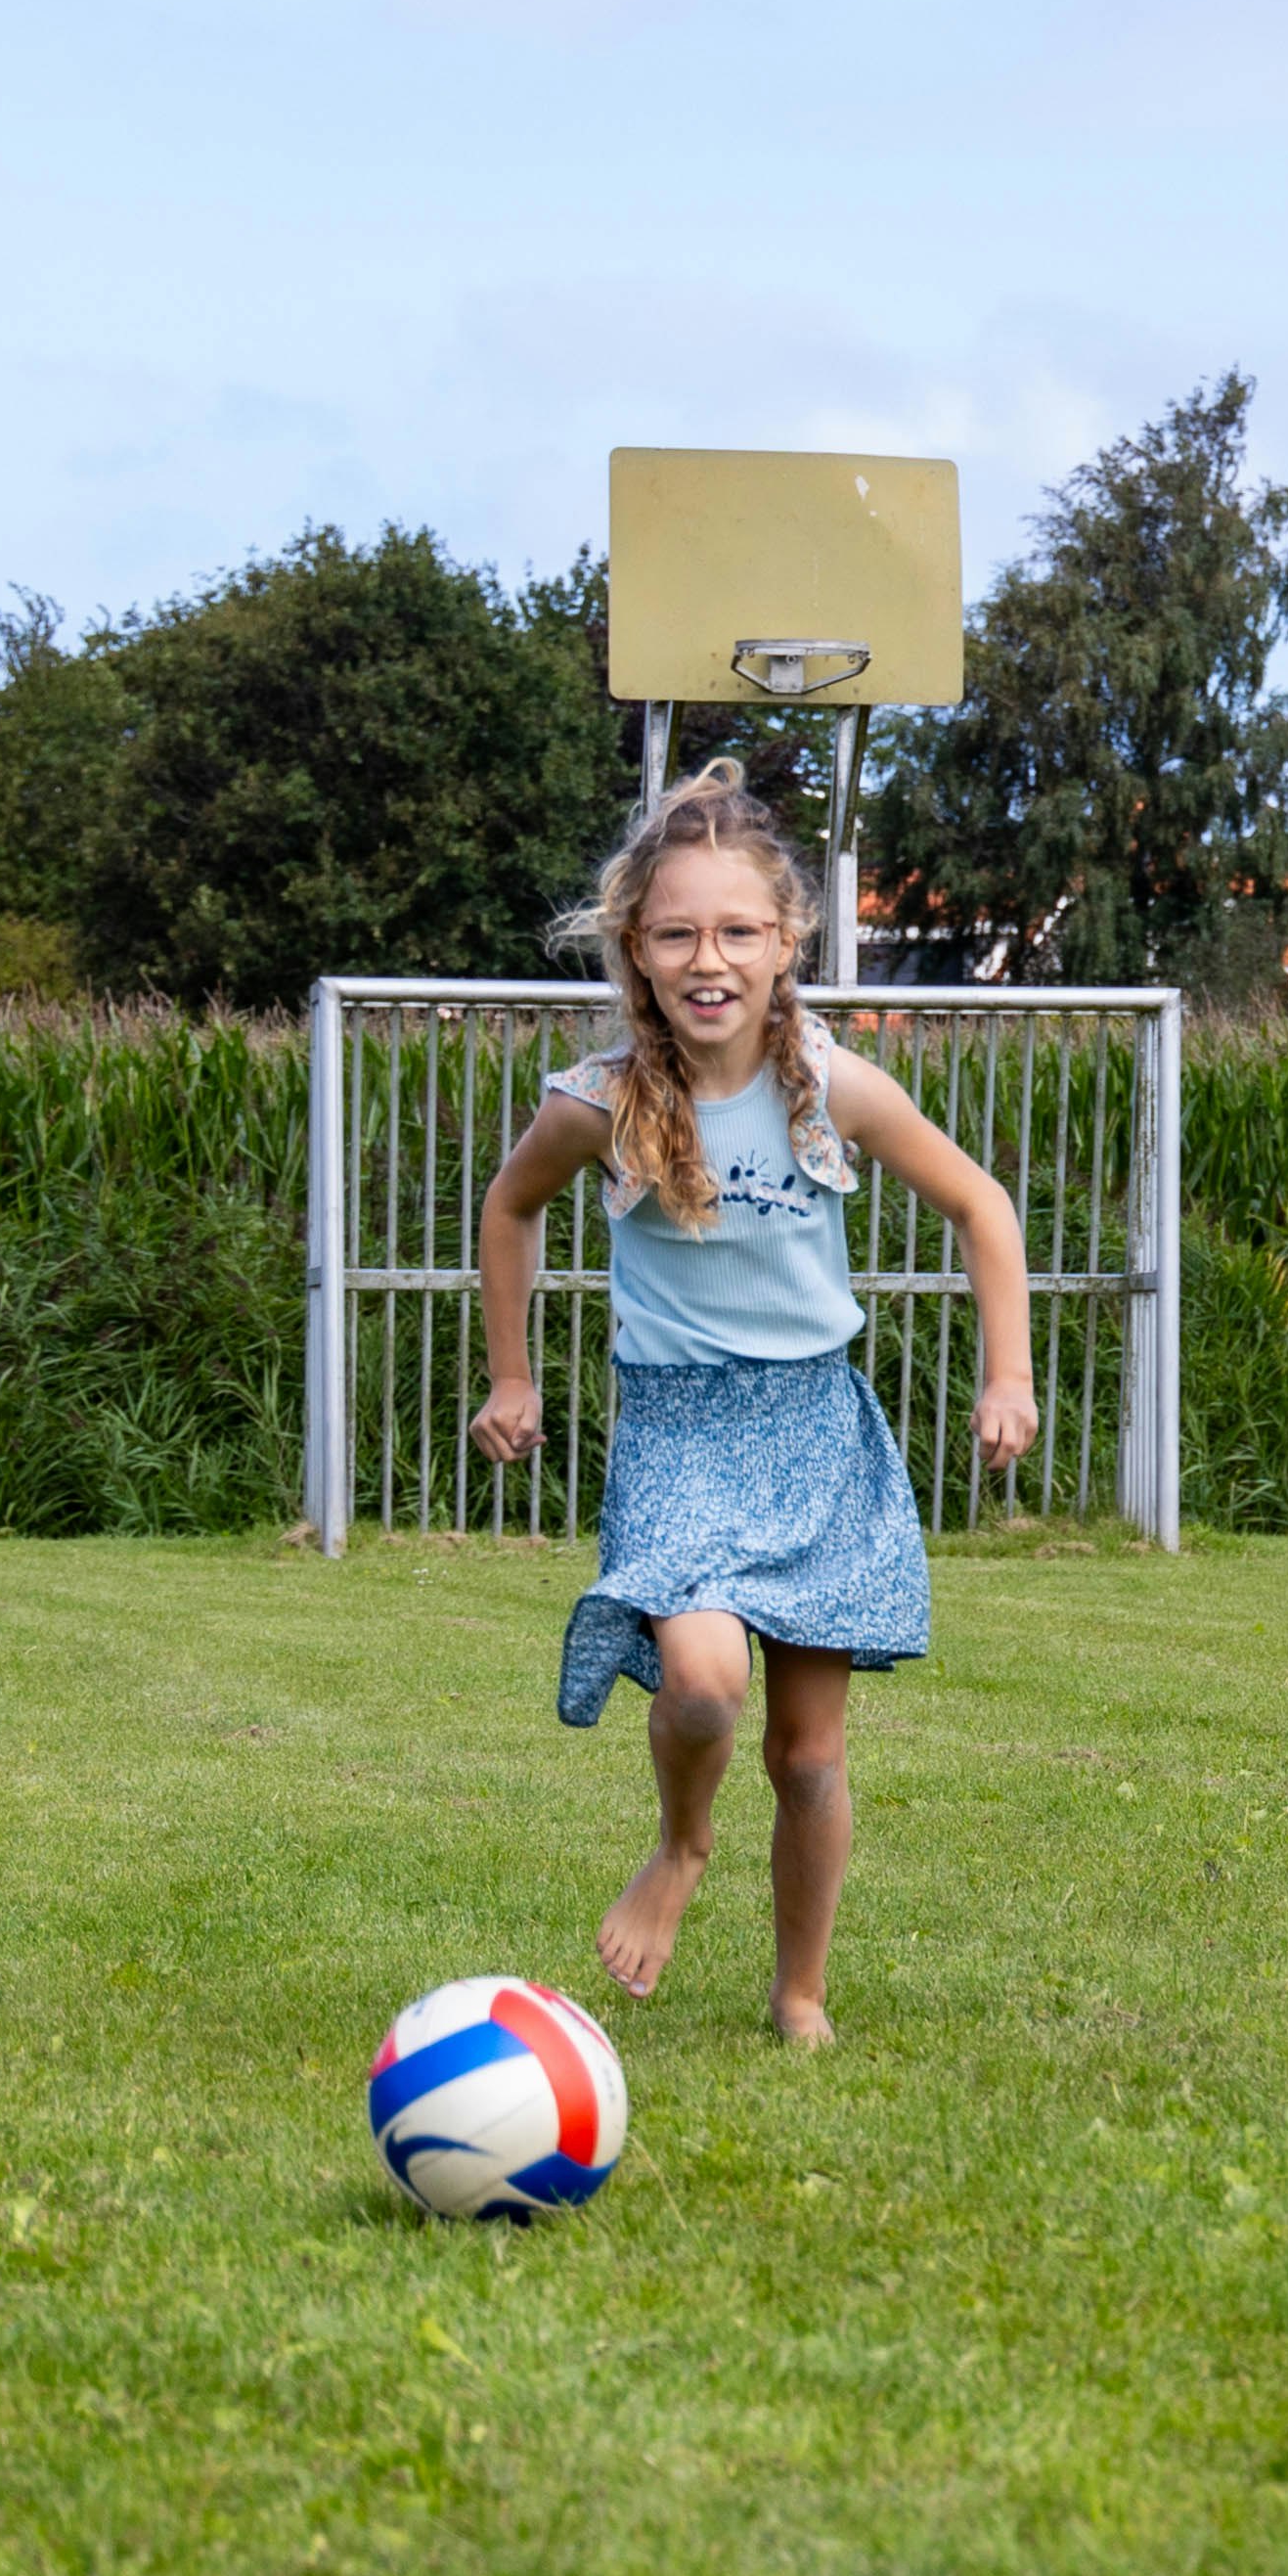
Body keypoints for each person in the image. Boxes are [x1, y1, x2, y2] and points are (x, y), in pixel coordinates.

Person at [468, 760, 1035, 2047]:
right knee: (708, 1682)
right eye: (677, 932)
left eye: (737, 931)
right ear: (636, 949)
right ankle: (679, 1845)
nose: (707, 958)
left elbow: (979, 1203)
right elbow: (509, 1207)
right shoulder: (599, 1104)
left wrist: (1010, 1375)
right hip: (679, 1431)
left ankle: (799, 1994)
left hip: (818, 1433)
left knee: (810, 1756)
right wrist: (515, 1375)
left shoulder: (830, 1088)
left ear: (788, 943)